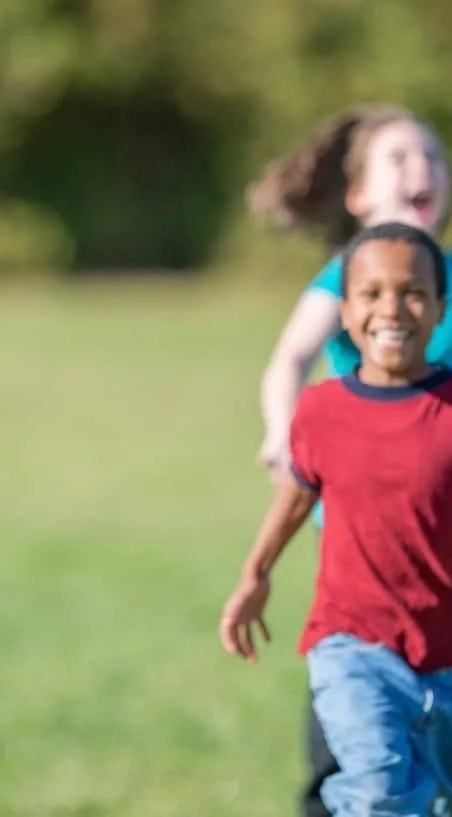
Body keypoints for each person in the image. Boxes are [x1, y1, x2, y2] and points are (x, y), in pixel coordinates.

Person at [247, 104, 452, 816]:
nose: (421, 169)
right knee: (357, 668)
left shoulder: (449, 278)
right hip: (359, 520)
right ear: (359, 194)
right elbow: (290, 358)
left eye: (432, 156)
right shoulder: (347, 274)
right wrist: (281, 431)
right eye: (399, 158)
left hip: (440, 522)